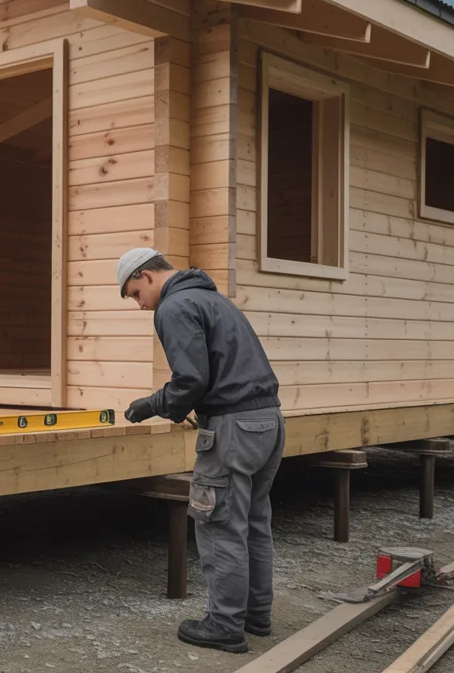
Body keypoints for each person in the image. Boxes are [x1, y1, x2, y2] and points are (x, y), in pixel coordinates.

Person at [116, 248, 284, 654]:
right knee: (254, 521)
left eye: (136, 293)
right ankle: (255, 615)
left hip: (233, 429)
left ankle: (225, 625)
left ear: (147, 275)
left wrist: (151, 406)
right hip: (269, 421)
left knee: (219, 523)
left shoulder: (174, 306)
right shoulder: (214, 300)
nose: (140, 304)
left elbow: (190, 380)